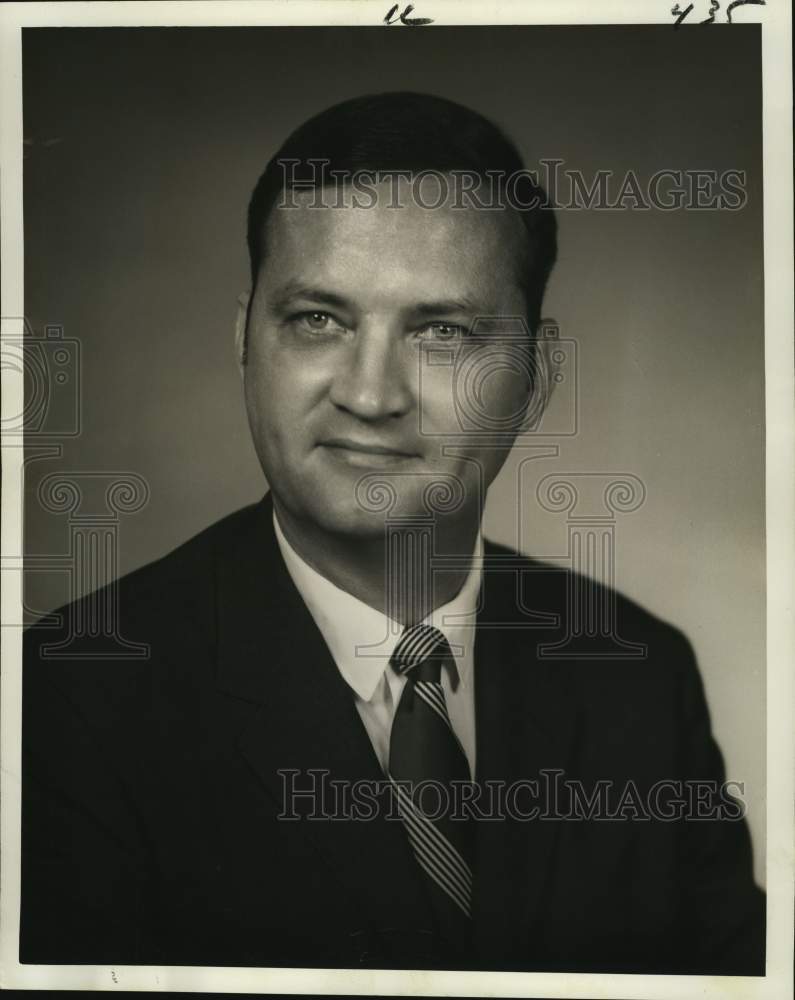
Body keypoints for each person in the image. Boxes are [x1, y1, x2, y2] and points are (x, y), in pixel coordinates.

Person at [21, 92, 765, 973]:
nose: (370, 396)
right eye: (317, 320)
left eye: (443, 332)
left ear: (536, 378)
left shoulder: (640, 676)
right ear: (245, 341)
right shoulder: (70, 701)